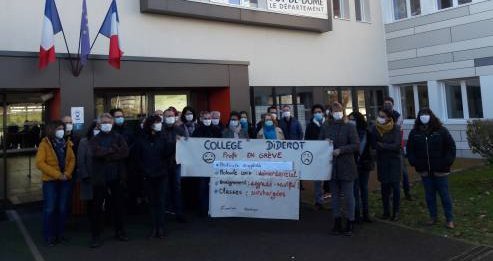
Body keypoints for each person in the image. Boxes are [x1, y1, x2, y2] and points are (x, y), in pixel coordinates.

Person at [406, 108, 456, 229]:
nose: (424, 117)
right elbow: (410, 150)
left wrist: (445, 164)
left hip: (441, 171)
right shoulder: (415, 133)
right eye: (422, 115)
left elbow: (451, 148)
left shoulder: (441, 131)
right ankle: (433, 217)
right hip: (425, 171)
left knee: (445, 196)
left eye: (426, 114)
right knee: (429, 196)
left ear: (431, 116)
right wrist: (416, 164)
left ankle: (449, 219)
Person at [89, 113, 130, 248]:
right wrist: (112, 151)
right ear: (100, 124)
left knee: (119, 206)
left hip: (117, 177)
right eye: (104, 122)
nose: (107, 124)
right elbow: (95, 152)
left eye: (109, 122)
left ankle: (120, 232)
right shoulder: (95, 139)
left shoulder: (118, 137)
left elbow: (125, 152)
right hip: (100, 178)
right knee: (97, 208)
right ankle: (96, 236)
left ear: (112, 124)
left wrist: (107, 154)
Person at [319, 102, 359, 236]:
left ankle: (350, 222)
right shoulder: (326, 127)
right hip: (331, 167)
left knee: (348, 196)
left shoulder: (349, 126)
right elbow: (319, 145)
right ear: (330, 112)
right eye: (335, 110)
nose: (337, 113)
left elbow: (356, 145)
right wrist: (325, 143)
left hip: (347, 165)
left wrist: (341, 150)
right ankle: (336, 222)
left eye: (339, 110)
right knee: (334, 197)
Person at [36, 120, 76, 246]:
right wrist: (58, 175)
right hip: (50, 182)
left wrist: (67, 174)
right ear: (52, 130)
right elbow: (40, 163)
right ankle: (49, 236)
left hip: (65, 180)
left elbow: (72, 160)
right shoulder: (45, 144)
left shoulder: (67, 143)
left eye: (62, 128)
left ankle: (60, 234)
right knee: (50, 208)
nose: (61, 131)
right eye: (59, 128)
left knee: (62, 208)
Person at [134, 115, 174, 239]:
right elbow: (138, 158)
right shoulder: (141, 139)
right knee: (152, 202)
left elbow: (168, 154)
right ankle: (154, 227)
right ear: (150, 124)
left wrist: (174, 143)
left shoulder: (163, 138)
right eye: (157, 122)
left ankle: (161, 227)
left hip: (161, 174)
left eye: (160, 122)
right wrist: (144, 171)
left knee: (161, 201)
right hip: (148, 175)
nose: (159, 124)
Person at [370, 108, 402, 221]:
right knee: (384, 188)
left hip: (394, 162)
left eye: (382, 116)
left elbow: (396, 145)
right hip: (382, 162)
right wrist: (385, 146)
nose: (380, 118)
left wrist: (382, 146)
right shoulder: (375, 129)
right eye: (379, 116)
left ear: (389, 117)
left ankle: (396, 212)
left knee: (396, 188)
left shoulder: (396, 128)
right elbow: (374, 145)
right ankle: (386, 211)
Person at [192, 111, 222, 216]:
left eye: (209, 118)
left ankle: (215, 208)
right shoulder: (197, 131)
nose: (208, 120)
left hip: (216, 164)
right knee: (203, 186)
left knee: (215, 186)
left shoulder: (217, 130)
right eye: (205, 118)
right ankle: (203, 209)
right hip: (202, 164)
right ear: (201, 119)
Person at [384, 97, 413, 201]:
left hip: (397, 147)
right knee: (388, 172)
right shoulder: (381, 116)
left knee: (403, 172)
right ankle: (390, 193)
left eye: (389, 103)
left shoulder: (398, 116)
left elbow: (395, 129)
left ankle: (407, 192)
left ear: (392, 104)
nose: (387, 105)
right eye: (385, 103)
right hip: (386, 148)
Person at [348, 111, 374, 223]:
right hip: (353, 164)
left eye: (353, 119)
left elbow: (371, 148)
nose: (351, 121)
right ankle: (357, 214)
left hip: (364, 164)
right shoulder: (349, 132)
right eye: (350, 119)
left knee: (363, 189)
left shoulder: (367, 132)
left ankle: (365, 213)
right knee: (355, 190)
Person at [162, 109, 187, 223]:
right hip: (163, 163)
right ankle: (166, 211)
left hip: (177, 163)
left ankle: (179, 212)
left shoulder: (179, 130)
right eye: (167, 116)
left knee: (177, 188)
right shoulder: (160, 130)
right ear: (163, 117)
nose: (170, 117)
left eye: (171, 115)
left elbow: (187, 144)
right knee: (165, 188)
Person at [304, 104, 326, 210]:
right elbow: (307, 140)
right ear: (313, 114)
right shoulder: (310, 125)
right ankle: (319, 201)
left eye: (319, 111)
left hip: (328, 155)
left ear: (323, 112)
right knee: (317, 180)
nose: (318, 114)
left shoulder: (328, 124)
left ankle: (332, 200)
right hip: (316, 156)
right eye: (316, 112)